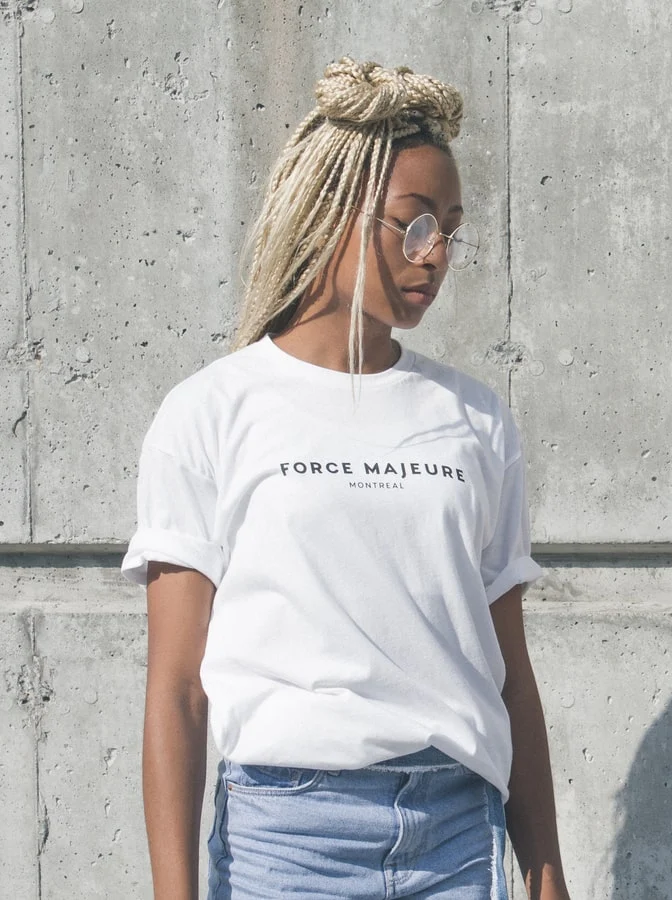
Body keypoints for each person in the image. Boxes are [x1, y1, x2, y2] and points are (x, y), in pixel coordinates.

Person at [123, 59, 569, 900]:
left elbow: (511, 674)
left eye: (450, 230)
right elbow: (178, 688)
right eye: (412, 223)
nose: (434, 254)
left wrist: (544, 872)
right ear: (331, 212)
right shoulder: (213, 411)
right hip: (286, 842)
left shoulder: (476, 420)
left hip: (456, 835)